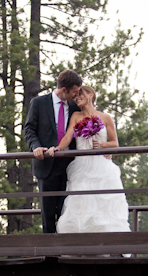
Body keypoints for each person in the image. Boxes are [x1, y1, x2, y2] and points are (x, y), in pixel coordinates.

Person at [47, 85, 130, 234]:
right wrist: (58, 148)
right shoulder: (76, 116)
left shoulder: (105, 117)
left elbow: (115, 144)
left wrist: (103, 145)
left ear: (90, 95)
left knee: (104, 203)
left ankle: (108, 240)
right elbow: (67, 137)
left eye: (81, 95)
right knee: (82, 202)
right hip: (82, 165)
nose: (77, 98)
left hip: (102, 166)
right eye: (76, 95)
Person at [24, 69, 82, 233]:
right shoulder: (38, 103)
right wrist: (36, 147)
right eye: (74, 92)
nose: (76, 96)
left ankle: (64, 252)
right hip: (46, 166)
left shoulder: (75, 107)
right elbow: (29, 130)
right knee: (48, 214)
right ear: (64, 90)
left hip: (69, 166)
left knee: (66, 213)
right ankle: (50, 255)